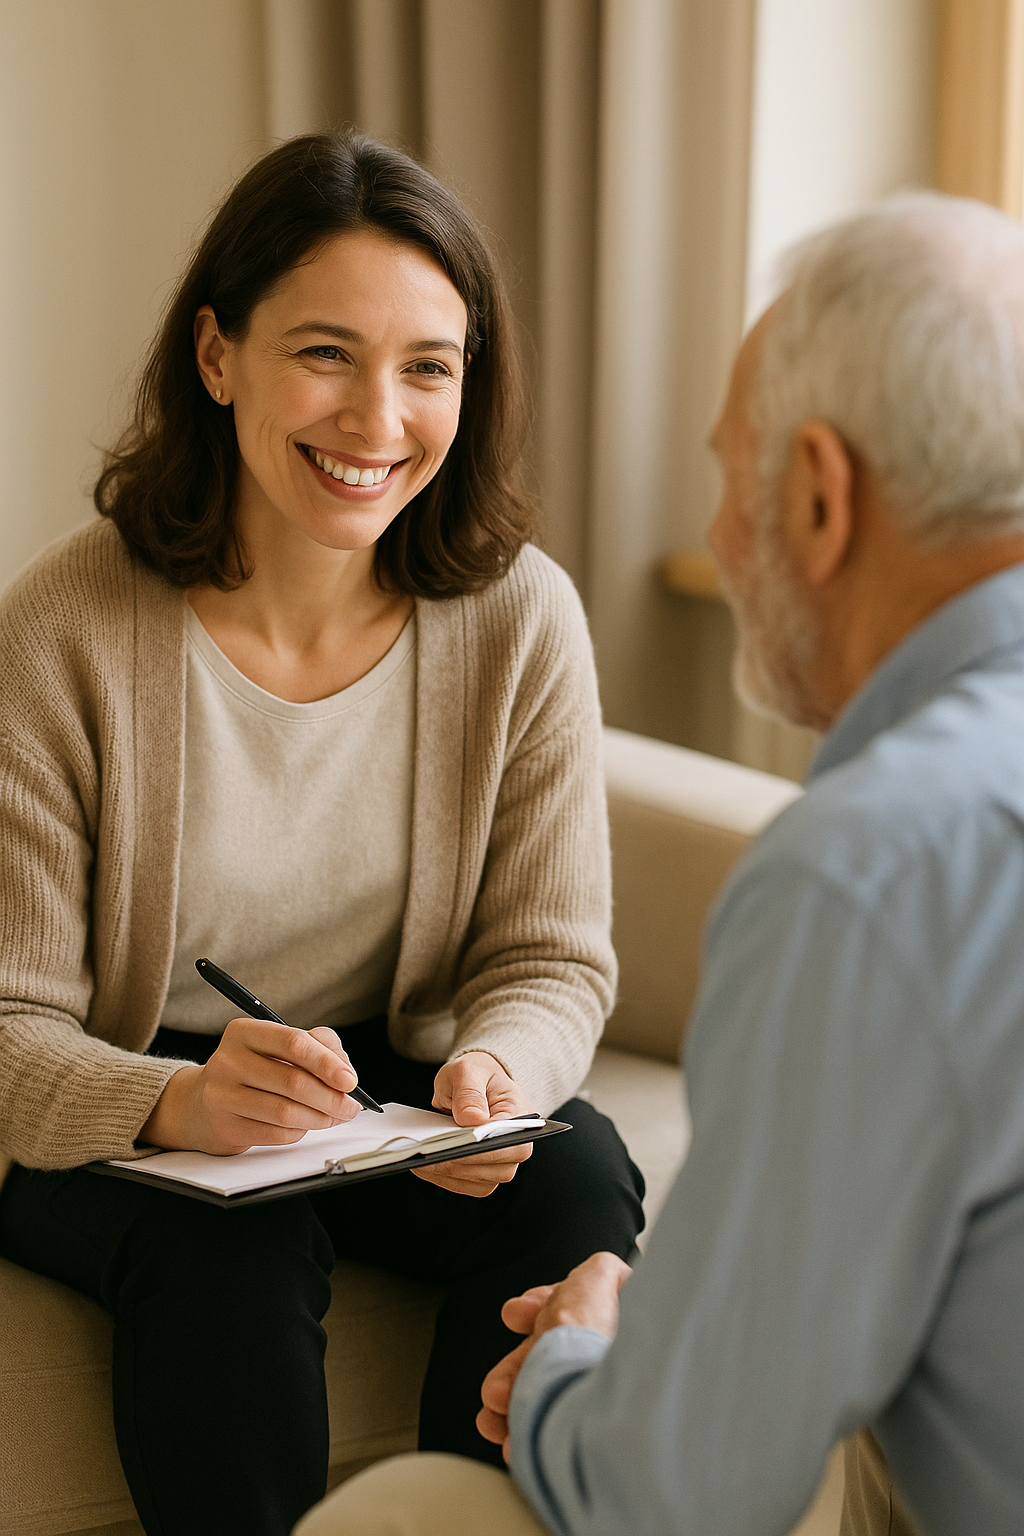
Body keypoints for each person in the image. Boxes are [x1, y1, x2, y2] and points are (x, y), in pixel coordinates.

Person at [299, 192, 1024, 1536]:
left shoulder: (865, 874)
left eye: (728, 481)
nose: (721, 538)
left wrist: (587, 1350)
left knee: (398, 1512)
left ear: (818, 494)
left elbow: (672, 1496)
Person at [0, 132, 644, 1536]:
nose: (378, 420)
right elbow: (7, 1024)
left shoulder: (521, 617)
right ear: (217, 354)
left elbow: (552, 955)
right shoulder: (65, 626)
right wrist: (173, 1105)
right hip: (121, 1096)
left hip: (370, 1084)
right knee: (228, 1231)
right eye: (325, 354)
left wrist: (492, 1070)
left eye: (428, 366)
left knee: (576, 1161)